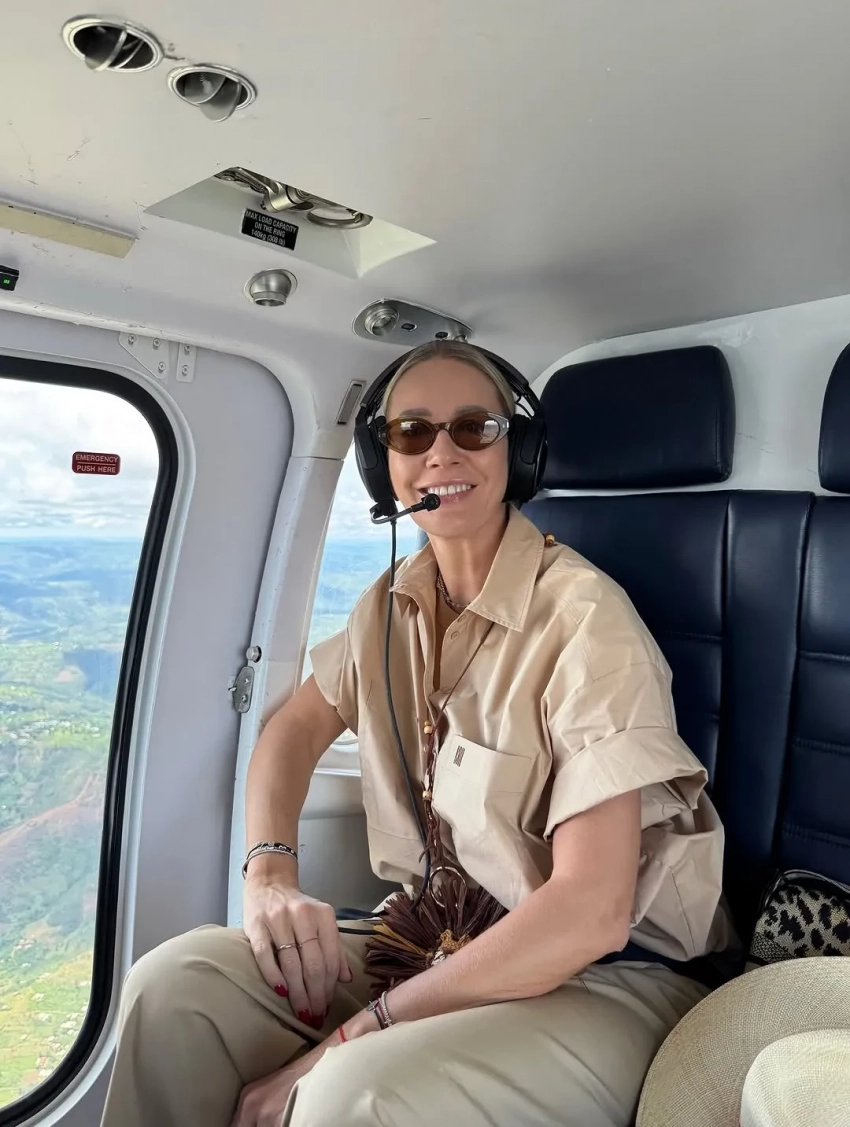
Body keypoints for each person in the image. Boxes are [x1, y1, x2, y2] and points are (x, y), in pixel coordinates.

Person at [100, 340, 736, 1127]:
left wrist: (355, 1033)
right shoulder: (389, 606)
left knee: (349, 1092)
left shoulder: (585, 621)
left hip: (608, 973)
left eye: (474, 427)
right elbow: (293, 730)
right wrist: (269, 876)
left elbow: (591, 909)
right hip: (439, 936)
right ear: (383, 463)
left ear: (517, 449)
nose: (442, 452)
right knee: (174, 990)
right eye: (411, 431)